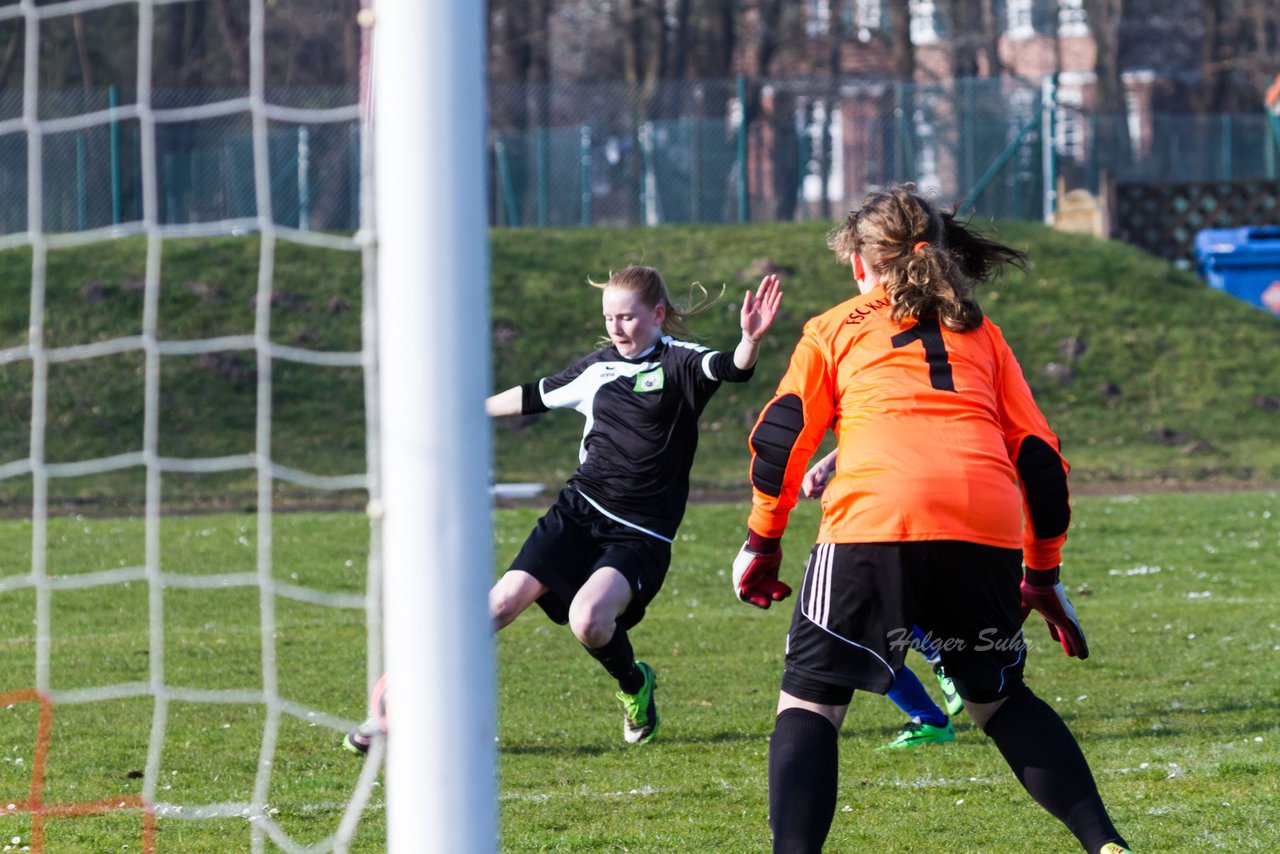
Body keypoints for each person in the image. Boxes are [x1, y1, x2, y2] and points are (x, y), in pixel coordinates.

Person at [730, 185, 1133, 853]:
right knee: (999, 701)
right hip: (986, 526)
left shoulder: (835, 328)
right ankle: (1106, 846)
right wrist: (1042, 571)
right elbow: (1039, 460)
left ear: (862, 263)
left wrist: (762, 541)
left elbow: (781, 439)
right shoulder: (983, 334)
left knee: (811, 704)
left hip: (875, 521)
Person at [344, 265, 782, 753]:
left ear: (657, 315)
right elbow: (535, 395)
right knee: (498, 605)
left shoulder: (681, 364)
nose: (616, 329)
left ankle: (635, 684)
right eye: (609, 318)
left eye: (627, 318)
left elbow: (732, 368)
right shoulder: (598, 368)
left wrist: (750, 340)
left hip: (640, 534)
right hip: (578, 513)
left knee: (589, 621)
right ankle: (398, 707)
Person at [803, 451, 963, 750]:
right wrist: (828, 463)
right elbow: (869, 429)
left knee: (859, 627)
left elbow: (889, 427)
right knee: (861, 630)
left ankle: (935, 678)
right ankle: (931, 707)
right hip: (875, 507)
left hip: (885, 509)